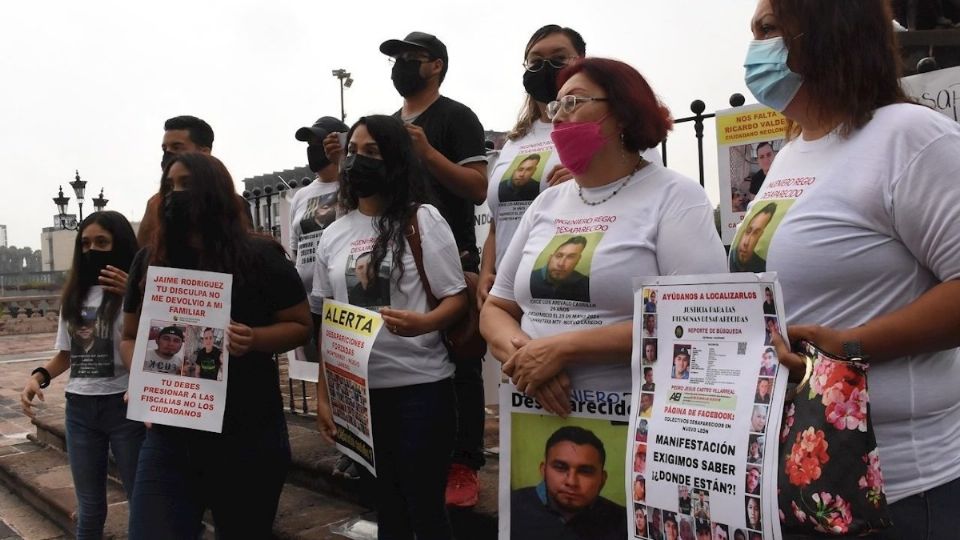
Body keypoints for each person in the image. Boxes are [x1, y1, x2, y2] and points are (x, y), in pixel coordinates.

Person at [747, 1, 960, 534]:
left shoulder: (911, 137)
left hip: (900, 491)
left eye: (767, 29)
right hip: (802, 479)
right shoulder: (794, 153)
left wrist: (850, 347)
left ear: (825, 28)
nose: (753, 48)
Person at [123, 153, 311, 538]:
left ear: (213, 191)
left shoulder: (259, 257)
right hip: (169, 438)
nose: (175, 194)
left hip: (247, 434)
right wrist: (140, 380)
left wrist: (255, 338)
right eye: (169, 186)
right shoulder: (149, 261)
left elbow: (300, 326)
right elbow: (129, 336)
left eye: (186, 183)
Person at [343, 30, 490, 507]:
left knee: (459, 361)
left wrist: (427, 153)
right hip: (390, 255)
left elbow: (477, 187)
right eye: (397, 57)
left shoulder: (456, 117)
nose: (402, 64)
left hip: (447, 253)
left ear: (437, 66)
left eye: (413, 57)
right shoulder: (385, 124)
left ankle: (463, 462)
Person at [313, 115, 468, 538]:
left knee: (425, 512)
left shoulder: (422, 219)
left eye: (372, 152)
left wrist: (425, 323)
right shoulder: (333, 235)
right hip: (359, 399)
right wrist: (326, 395)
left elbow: (457, 298)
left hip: (420, 391)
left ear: (396, 159)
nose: (357, 161)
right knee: (387, 514)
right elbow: (329, 322)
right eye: (353, 152)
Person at [19, 211, 144, 539]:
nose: (92, 250)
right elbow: (67, 354)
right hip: (80, 409)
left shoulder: (136, 291)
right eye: (85, 243)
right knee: (89, 508)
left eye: (102, 242)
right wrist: (39, 376)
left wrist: (137, 293)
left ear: (119, 245)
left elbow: (157, 342)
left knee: (140, 499)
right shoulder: (74, 296)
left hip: (125, 406)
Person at [137, 116, 252, 245]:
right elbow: (145, 254)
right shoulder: (156, 203)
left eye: (177, 147)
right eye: (165, 149)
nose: (168, 153)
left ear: (204, 152)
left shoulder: (230, 202)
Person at [510, 426, 626, 540]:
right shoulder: (510, 509)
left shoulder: (624, 522)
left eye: (585, 471)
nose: (571, 482)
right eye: (561, 468)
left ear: (602, 479)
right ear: (544, 471)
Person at [529, 235, 591, 302]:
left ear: (577, 261)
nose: (561, 264)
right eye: (559, 256)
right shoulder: (529, 278)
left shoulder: (586, 285)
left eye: (570, 257)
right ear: (550, 258)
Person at [729, 202, 776, 273]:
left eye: (756, 234)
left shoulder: (762, 266)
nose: (746, 242)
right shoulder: (730, 258)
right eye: (748, 231)